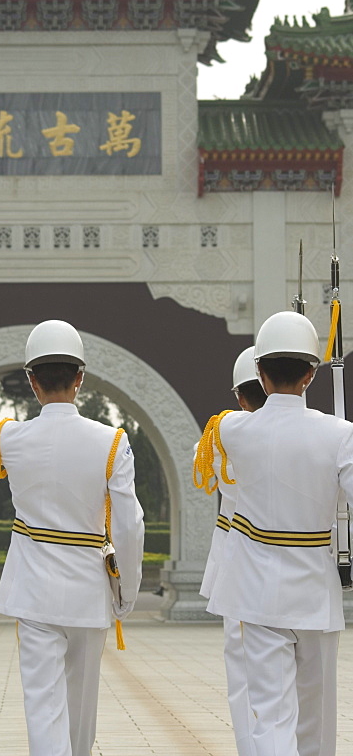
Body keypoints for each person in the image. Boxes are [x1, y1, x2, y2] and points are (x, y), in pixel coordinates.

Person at [0, 319, 144, 756]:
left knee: (43, 708)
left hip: (33, 592)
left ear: (32, 381)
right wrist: (125, 588)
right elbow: (129, 524)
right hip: (88, 591)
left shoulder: (8, 438)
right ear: (80, 378)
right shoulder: (111, 442)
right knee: (81, 711)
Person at [207, 311, 353, 756]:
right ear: (311, 374)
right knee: (317, 720)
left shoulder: (231, 429)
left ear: (259, 372)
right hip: (313, 588)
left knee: (269, 717)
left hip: (257, 593)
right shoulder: (340, 434)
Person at [194, 346, 267, 756]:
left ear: (239, 397)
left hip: (238, 562)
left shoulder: (222, 435)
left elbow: (199, 458)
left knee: (242, 671)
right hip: (300, 560)